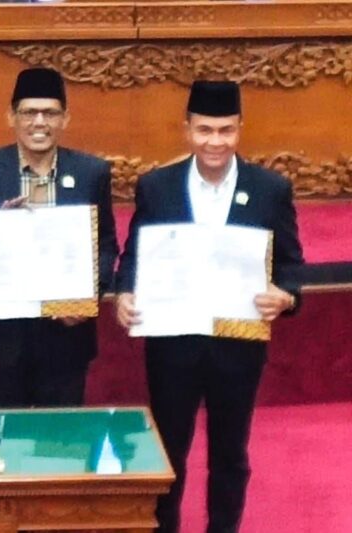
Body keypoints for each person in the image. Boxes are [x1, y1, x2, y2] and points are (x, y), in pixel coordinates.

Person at [114, 80, 304, 533]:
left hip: (238, 344)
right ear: (186, 129)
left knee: (230, 452)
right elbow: (135, 256)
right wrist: (124, 292)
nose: (214, 142)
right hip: (172, 342)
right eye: (204, 130)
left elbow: (293, 264)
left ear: (240, 129)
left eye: (225, 131)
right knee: (168, 450)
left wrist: (287, 295)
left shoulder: (270, 188)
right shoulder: (156, 186)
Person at [0, 67, 119, 408]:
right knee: (5, 442)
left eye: (50, 113)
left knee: (58, 446)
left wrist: (87, 296)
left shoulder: (92, 172)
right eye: (29, 112)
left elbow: (106, 245)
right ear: (11, 117)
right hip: (2, 334)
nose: (39, 122)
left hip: (66, 335)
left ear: (65, 119)